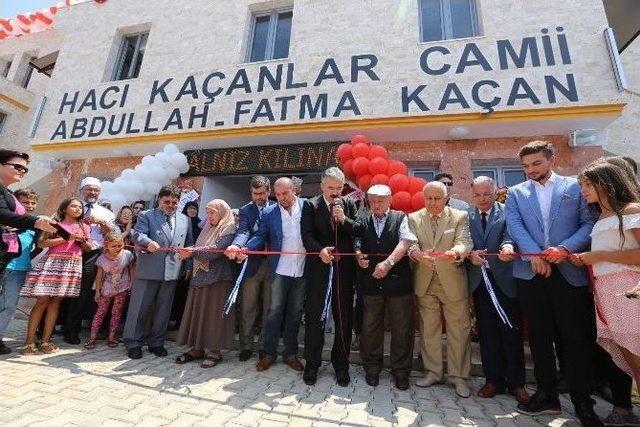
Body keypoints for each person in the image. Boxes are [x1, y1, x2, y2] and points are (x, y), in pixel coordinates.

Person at [504, 141, 600, 426]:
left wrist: (565, 249)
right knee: (539, 337)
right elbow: (515, 226)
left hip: (568, 271)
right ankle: (547, 394)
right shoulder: (515, 193)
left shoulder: (575, 188)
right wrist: (534, 255)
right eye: (525, 166)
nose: (530, 170)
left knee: (573, 338)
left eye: (536, 164)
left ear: (551, 160)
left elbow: (588, 223)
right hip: (531, 274)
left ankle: (583, 400)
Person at [570, 161, 640, 426]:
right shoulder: (601, 216)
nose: (583, 191)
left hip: (629, 291)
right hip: (606, 293)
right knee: (631, 359)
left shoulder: (632, 210)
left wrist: (597, 255)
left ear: (605, 183)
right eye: (581, 185)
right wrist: (587, 260)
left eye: (588, 185)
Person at [465, 176, 528, 403]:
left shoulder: (508, 212)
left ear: (495, 192)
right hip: (480, 283)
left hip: (506, 282)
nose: (482, 199)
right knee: (487, 333)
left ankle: (517, 384)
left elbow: (512, 234)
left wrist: (508, 246)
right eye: (477, 195)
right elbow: (463, 241)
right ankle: (493, 380)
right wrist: (469, 254)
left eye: (486, 194)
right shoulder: (466, 216)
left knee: (511, 332)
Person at [408, 181, 473, 397]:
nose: (433, 203)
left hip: (452, 281)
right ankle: (433, 372)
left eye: (437, 198)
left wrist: (454, 253)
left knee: (459, 331)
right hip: (425, 282)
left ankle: (459, 377)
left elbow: (465, 242)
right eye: (429, 198)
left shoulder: (459, 216)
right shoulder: (414, 218)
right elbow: (411, 243)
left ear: (446, 198)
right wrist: (416, 253)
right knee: (429, 330)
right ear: (423, 198)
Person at [300, 167, 360, 386]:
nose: (335, 192)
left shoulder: (349, 204)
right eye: (331, 187)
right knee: (316, 318)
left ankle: (341, 366)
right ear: (322, 186)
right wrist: (319, 252)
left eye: (338, 187)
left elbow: (358, 231)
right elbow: (306, 234)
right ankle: (312, 364)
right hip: (319, 269)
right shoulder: (310, 205)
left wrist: (344, 219)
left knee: (344, 319)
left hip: (344, 272)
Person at [354, 185, 416, 390]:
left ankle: (400, 371)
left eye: (380, 200)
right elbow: (357, 239)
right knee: (370, 327)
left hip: (398, 283)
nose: (376, 205)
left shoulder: (400, 217)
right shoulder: (363, 217)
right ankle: (372, 368)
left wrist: (388, 263)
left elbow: (406, 242)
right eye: (372, 201)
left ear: (390, 200)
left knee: (402, 327)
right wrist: (358, 256)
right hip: (371, 282)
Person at [242, 177, 306, 372]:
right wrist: (244, 249)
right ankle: (268, 353)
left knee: (294, 313)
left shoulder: (308, 207)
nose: (281, 198)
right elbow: (260, 236)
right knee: (274, 312)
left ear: (294, 190)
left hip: (302, 269)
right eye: (277, 195)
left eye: (285, 193)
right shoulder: (269, 213)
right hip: (279, 270)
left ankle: (290, 354)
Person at [123, 185, 193, 360]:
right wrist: (148, 242)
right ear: (159, 201)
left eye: (174, 202)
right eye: (166, 201)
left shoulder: (185, 219)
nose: (170, 205)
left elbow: (189, 243)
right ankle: (133, 342)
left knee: (163, 310)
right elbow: (137, 234)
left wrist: (188, 258)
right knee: (139, 308)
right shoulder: (146, 215)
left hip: (172, 271)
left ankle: (156, 342)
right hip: (148, 268)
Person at [20, 198, 92, 355]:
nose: (78, 209)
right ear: (64, 208)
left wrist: (84, 242)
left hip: (72, 264)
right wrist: (68, 237)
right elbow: (41, 244)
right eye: (74, 206)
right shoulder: (54, 224)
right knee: (42, 301)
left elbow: (88, 248)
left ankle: (46, 341)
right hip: (53, 262)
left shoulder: (84, 226)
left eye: (80, 207)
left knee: (55, 303)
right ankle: (29, 341)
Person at [174, 200, 236, 368]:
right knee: (198, 313)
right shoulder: (206, 228)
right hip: (199, 277)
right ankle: (197, 349)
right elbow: (198, 246)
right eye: (208, 212)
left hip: (218, 279)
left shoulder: (229, 228)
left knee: (214, 315)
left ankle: (215, 351)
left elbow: (216, 250)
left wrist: (192, 251)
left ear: (222, 212)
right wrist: (189, 251)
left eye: (212, 212)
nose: (209, 216)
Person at [225, 176, 274, 361]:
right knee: (248, 307)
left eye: (262, 193)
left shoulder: (277, 207)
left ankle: (265, 347)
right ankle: (246, 346)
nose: (259, 197)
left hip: (274, 264)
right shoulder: (246, 210)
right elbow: (243, 231)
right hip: (251, 263)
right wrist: (237, 246)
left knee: (270, 307)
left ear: (268, 191)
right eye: (255, 193)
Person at [63, 177, 116, 345]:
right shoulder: (73, 208)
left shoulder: (106, 212)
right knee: (63, 289)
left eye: (96, 190)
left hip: (92, 253)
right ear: (81, 191)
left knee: (82, 292)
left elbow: (113, 235)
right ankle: (52, 326)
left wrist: (101, 222)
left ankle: (72, 331)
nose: (92, 193)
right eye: (89, 189)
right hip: (69, 251)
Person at [0, 150, 56, 276]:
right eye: (18, 166)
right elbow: (3, 215)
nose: (22, 171)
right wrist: (36, 221)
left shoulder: (8, 193)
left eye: (25, 169)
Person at [0, 189, 41, 354]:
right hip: (3, 266)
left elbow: (38, 246)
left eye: (33, 203)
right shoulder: (4, 220)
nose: (30, 206)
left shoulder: (34, 225)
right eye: (25, 202)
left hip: (19, 270)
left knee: (9, 305)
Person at [84, 231, 135, 349]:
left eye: (120, 245)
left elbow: (132, 267)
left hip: (122, 288)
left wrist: (132, 282)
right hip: (106, 289)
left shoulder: (127, 254)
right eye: (114, 246)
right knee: (100, 312)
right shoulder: (102, 259)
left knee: (116, 312)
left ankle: (111, 337)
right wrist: (97, 291)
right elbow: (99, 276)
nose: (117, 248)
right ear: (106, 245)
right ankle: (92, 337)